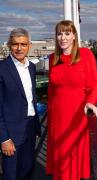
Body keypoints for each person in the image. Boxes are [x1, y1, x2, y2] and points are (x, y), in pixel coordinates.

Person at [46, 20, 97, 180]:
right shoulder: (52, 59)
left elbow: (94, 84)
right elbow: (51, 89)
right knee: (61, 161)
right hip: (57, 118)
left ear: (74, 36)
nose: (63, 37)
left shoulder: (85, 54)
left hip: (76, 116)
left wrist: (91, 102)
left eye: (67, 33)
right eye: (59, 33)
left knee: (72, 160)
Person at [0, 28, 41, 180]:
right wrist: (4, 139)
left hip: (30, 128)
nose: (19, 48)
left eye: (23, 44)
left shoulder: (31, 67)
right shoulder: (2, 69)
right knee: (11, 175)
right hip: (11, 133)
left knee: (27, 171)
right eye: (15, 44)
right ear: (9, 45)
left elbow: (30, 98)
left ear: (29, 45)